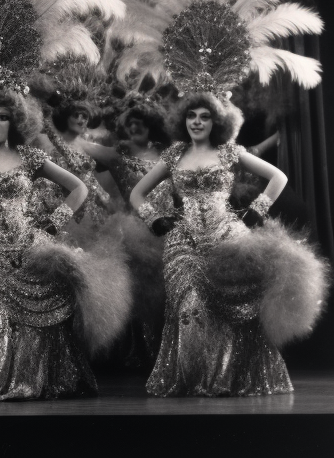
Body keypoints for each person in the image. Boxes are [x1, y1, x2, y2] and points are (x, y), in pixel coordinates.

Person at [0, 89, 129, 400]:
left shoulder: (31, 157)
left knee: (40, 322)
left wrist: (54, 222)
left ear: (16, 123)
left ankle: (32, 381)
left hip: (29, 249)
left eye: (2, 117)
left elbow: (78, 188)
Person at [131, 94, 327, 396]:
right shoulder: (173, 155)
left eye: (204, 116)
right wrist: (154, 219)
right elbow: (137, 194)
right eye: (191, 115)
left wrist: (257, 210)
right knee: (188, 307)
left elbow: (278, 176)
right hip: (184, 241)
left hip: (227, 237)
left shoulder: (229, 152)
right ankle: (194, 377)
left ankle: (228, 377)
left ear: (217, 121)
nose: (197, 121)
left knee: (234, 310)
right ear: (183, 119)